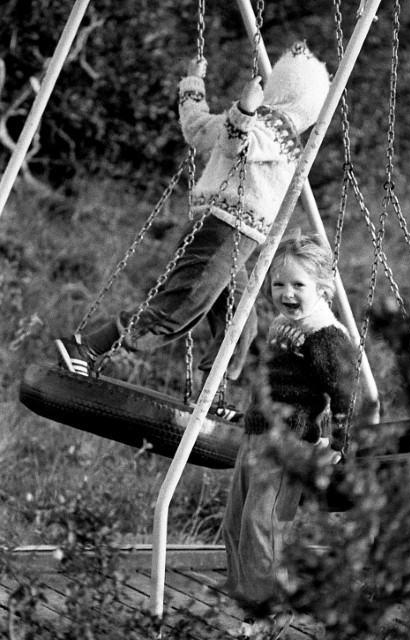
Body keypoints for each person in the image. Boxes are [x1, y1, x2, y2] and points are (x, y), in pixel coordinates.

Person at [54, 42, 331, 420]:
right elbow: (235, 144)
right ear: (306, 104)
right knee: (179, 308)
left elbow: (197, 128)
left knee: (240, 325)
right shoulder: (276, 128)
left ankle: (212, 397)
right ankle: (86, 347)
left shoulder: (257, 122)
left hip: (227, 235)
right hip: (226, 231)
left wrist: (192, 83)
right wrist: (245, 110)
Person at [222, 231, 356, 636]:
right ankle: (251, 608)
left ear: (322, 287)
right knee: (235, 524)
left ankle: (272, 611)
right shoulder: (283, 325)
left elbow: (346, 392)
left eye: (298, 284)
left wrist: (338, 444)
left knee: (262, 524)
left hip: (288, 443)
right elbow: (272, 379)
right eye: (278, 283)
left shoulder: (325, 335)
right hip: (257, 435)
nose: (287, 293)